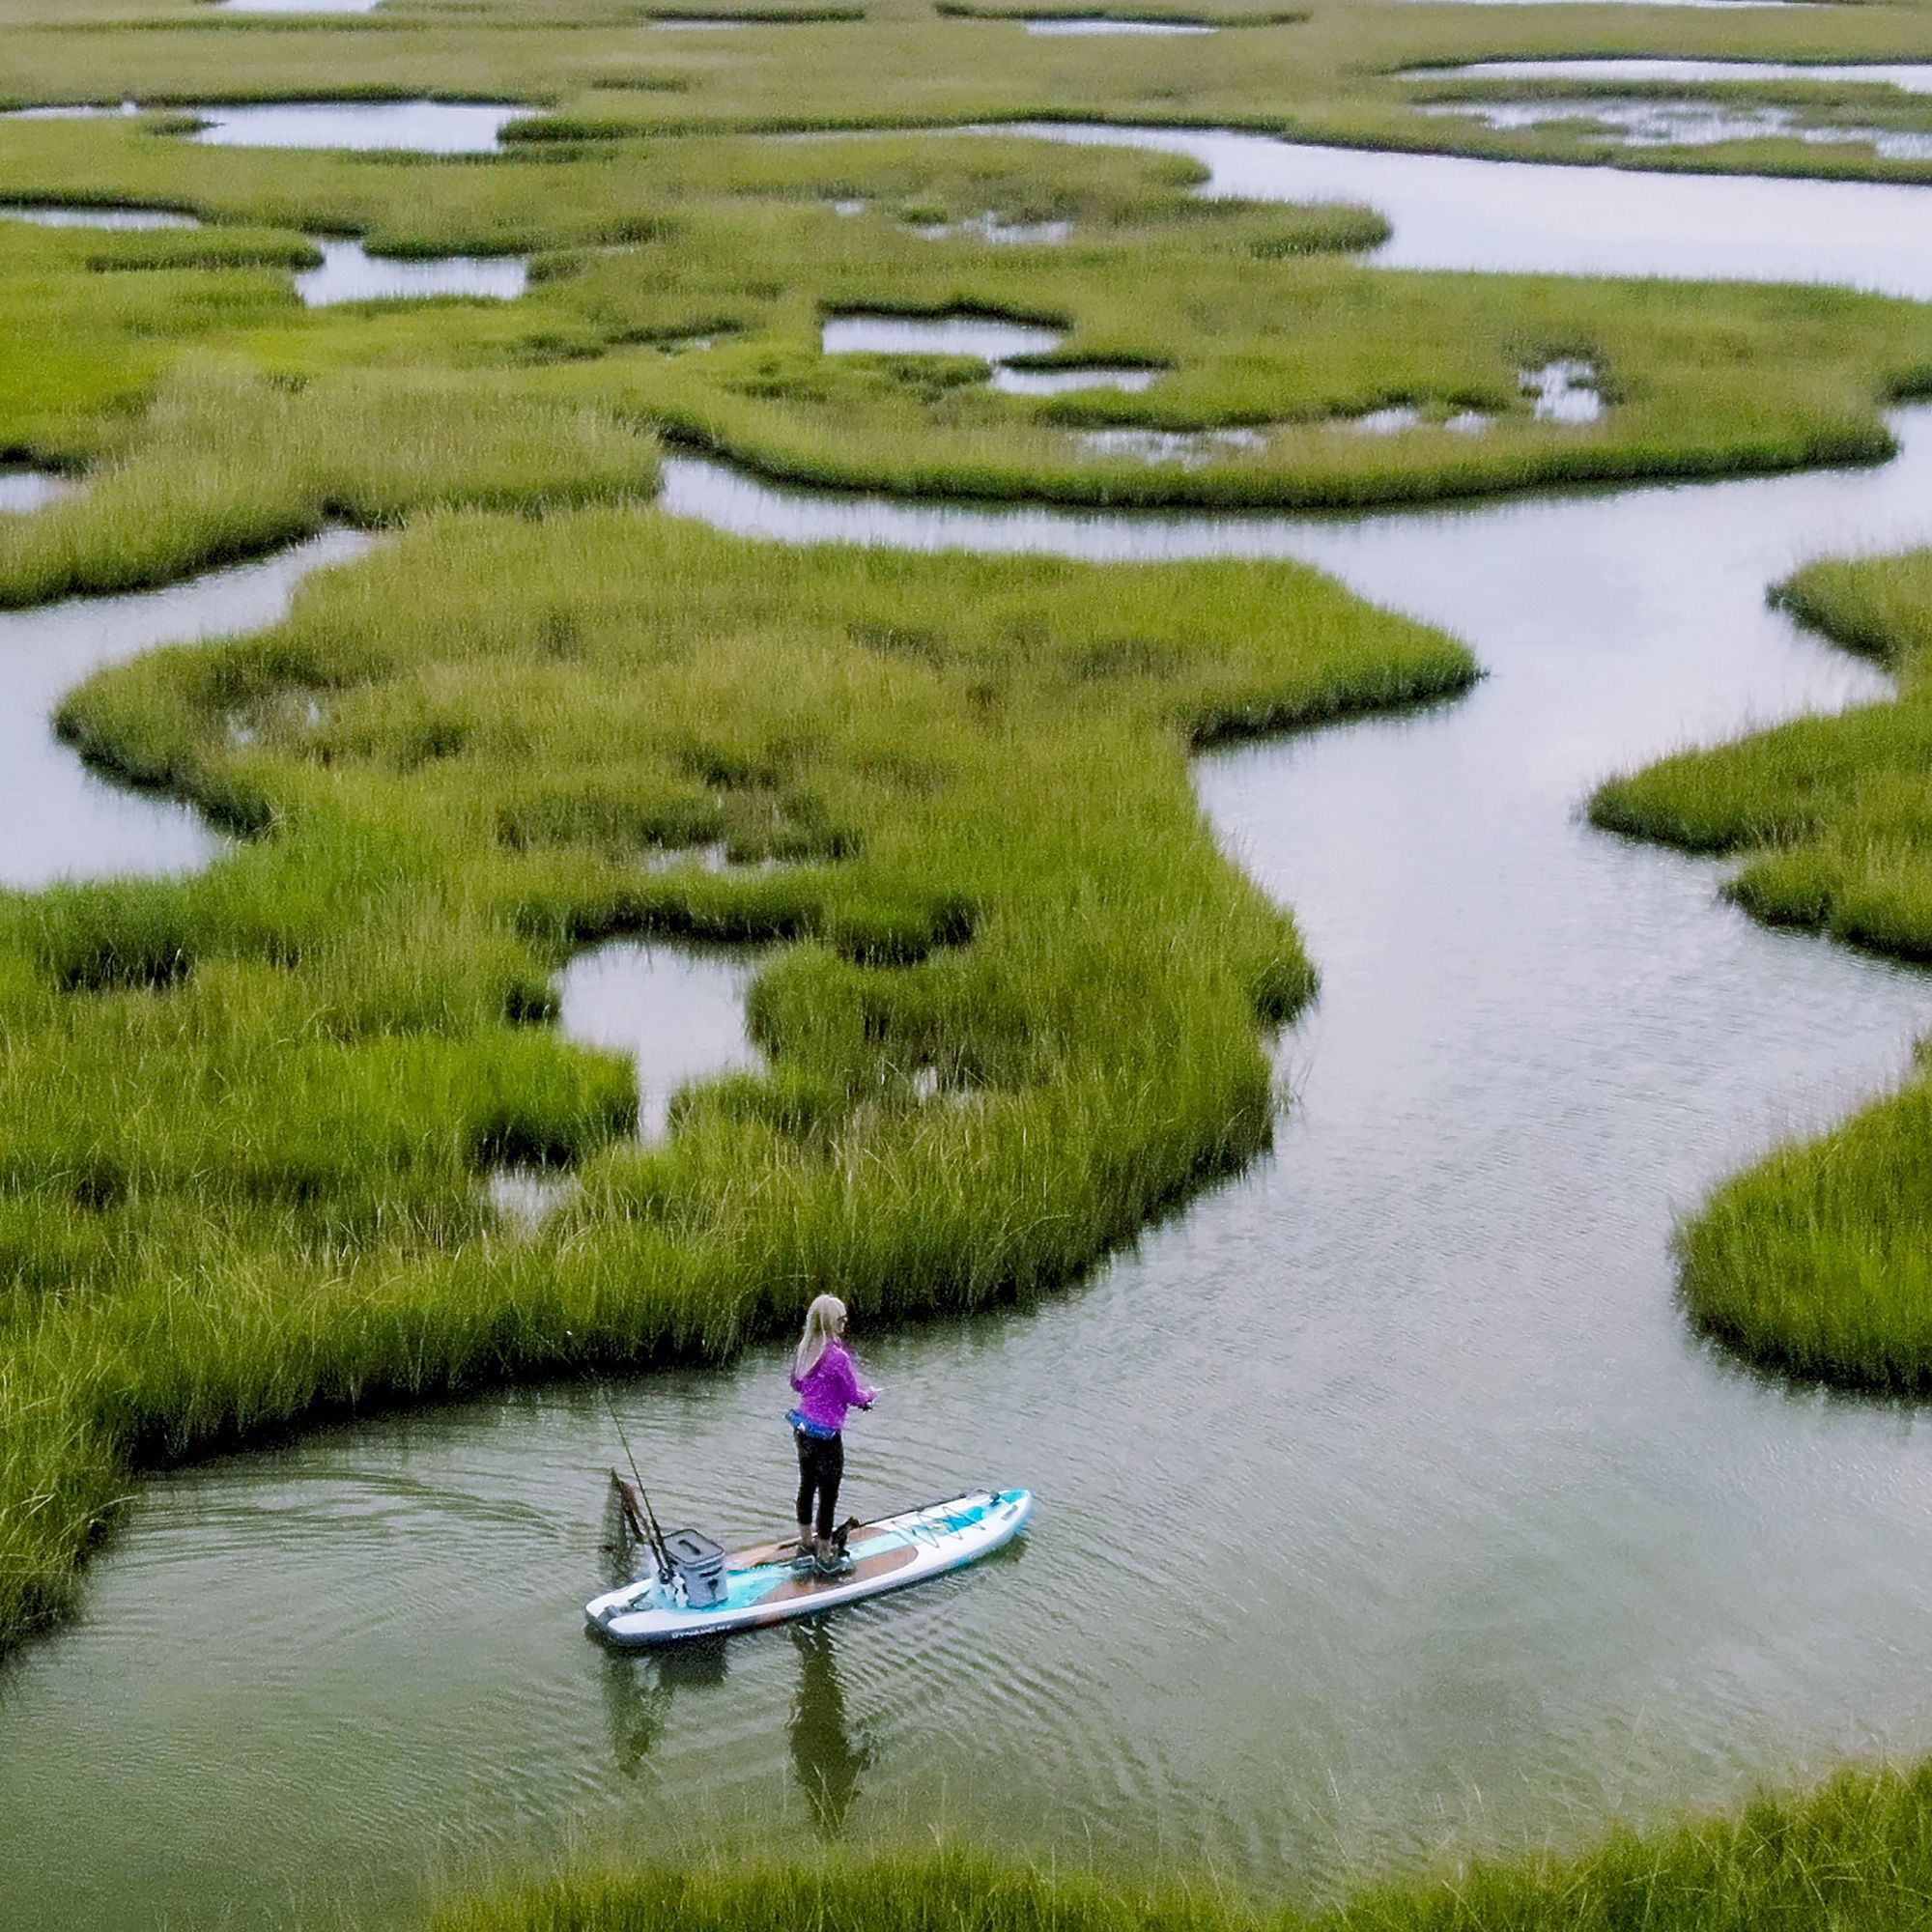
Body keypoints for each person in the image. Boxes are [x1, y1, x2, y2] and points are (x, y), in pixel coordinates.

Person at [787, 1293, 878, 1574]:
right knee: (828, 1495)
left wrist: (825, 1394)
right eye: (840, 1318)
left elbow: (797, 1385)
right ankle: (825, 1556)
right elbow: (853, 1395)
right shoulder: (837, 1357)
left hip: (803, 1431)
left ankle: (805, 1544)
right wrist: (869, 1396)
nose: (845, 1322)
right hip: (827, 1438)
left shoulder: (804, 1350)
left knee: (806, 1486)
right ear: (829, 1321)